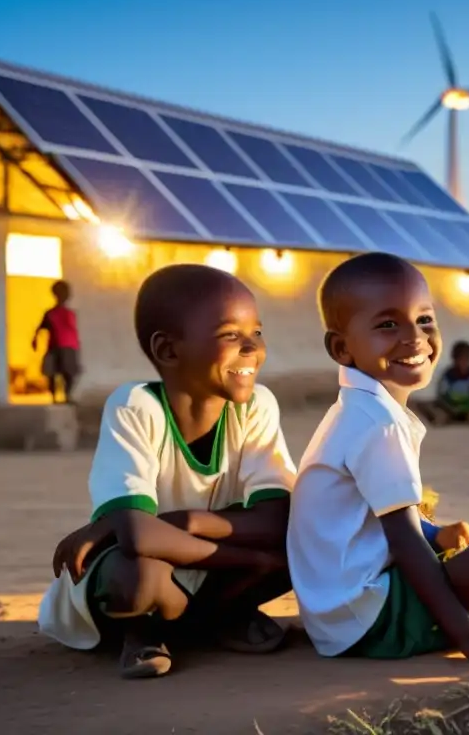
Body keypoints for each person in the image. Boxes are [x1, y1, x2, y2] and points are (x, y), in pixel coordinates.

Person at [37, 264, 297, 679]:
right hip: (145, 568)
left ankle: (208, 620)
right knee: (138, 575)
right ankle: (143, 631)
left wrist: (171, 524)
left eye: (257, 332)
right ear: (168, 351)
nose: (252, 348)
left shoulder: (256, 405)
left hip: (206, 567)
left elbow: (277, 518)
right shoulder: (135, 405)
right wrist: (250, 559)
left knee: (307, 548)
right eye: (231, 335)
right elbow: (139, 538)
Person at [287, 252, 469, 667]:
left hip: (337, 616)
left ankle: (453, 618)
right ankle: (451, 626)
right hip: (367, 619)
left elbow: (377, 518)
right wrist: (468, 638)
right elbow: (403, 541)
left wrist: (437, 535)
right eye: (388, 325)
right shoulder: (378, 424)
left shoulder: (356, 408)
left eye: (424, 320)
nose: (415, 338)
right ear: (341, 348)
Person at [33, 279, 81, 403]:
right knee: (52, 373)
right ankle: (56, 397)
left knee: (68, 374)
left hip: (69, 347)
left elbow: (73, 331)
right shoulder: (51, 313)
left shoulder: (69, 313)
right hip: (55, 347)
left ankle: (66, 396)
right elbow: (40, 328)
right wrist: (34, 340)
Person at [421, 340, 469, 425]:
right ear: (454, 359)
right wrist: (452, 407)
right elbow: (441, 394)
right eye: (460, 359)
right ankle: (445, 417)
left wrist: (466, 407)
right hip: (451, 408)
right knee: (423, 404)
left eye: (466, 359)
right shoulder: (448, 374)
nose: (463, 363)